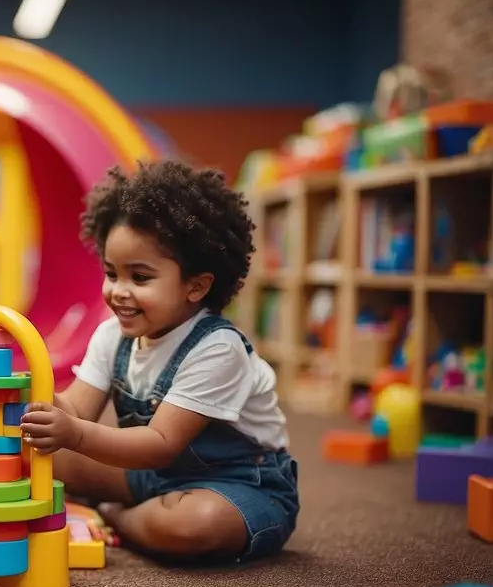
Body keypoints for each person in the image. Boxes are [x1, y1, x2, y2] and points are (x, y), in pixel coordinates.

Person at [20, 160, 298, 563]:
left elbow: (159, 444)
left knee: (194, 525)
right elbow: (77, 410)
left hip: (241, 484)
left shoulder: (218, 348)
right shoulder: (112, 334)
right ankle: (135, 510)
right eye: (111, 273)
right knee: (34, 452)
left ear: (196, 285)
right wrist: (35, 392)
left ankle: (116, 517)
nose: (118, 292)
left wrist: (74, 434)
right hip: (154, 476)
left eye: (140, 277)